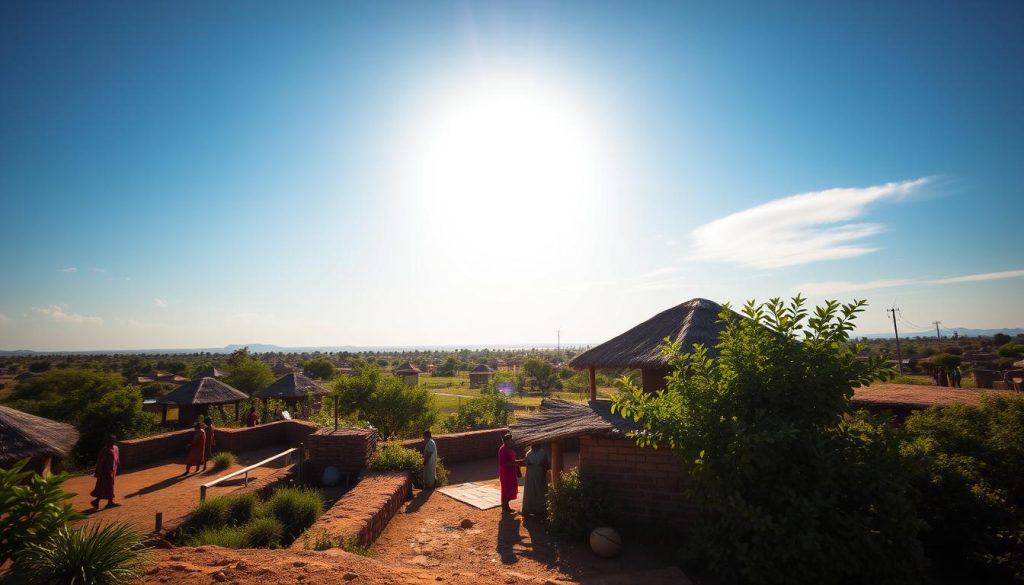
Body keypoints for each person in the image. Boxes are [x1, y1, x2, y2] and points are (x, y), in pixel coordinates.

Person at [90, 435, 120, 509]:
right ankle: (109, 502)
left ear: (113, 441)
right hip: (105, 472)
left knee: (106, 487)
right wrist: (99, 473)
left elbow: (117, 458)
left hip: (112, 471)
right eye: (108, 441)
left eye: (111, 441)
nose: (109, 443)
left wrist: (119, 465)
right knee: (107, 486)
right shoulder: (104, 451)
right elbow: (100, 462)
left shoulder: (116, 448)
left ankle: (97, 501)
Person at [521, 443, 550, 516]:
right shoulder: (528, 453)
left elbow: (547, 465)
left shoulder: (543, 453)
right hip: (531, 476)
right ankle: (529, 509)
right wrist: (527, 462)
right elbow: (525, 462)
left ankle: (540, 509)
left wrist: (544, 467)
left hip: (540, 475)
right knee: (531, 491)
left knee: (540, 492)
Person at [497, 433, 519, 513]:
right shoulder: (502, 450)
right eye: (510, 440)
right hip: (506, 473)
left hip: (511, 472)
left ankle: (507, 507)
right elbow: (503, 463)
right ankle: (503, 508)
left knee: (510, 488)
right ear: (506, 441)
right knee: (506, 490)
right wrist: (515, 462)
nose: (511, 442)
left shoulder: (509, 448)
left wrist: (516, 462)